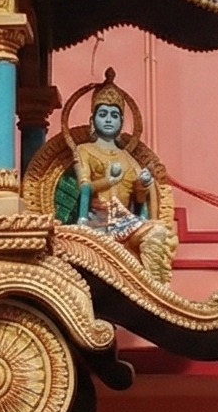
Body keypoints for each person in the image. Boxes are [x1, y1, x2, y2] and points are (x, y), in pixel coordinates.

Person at [66, 78, 173, 280]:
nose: (108, 119)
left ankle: (154, 289)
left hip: (125, 222)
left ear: (121, 123)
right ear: (93, 120)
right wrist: (108, 181)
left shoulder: (129, 159)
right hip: (96, 222)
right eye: (103, 114)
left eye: (114, 115)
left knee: (157, 231)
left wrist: (144, 184)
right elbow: (85, 188)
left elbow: (139, 201)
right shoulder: (84, 151)